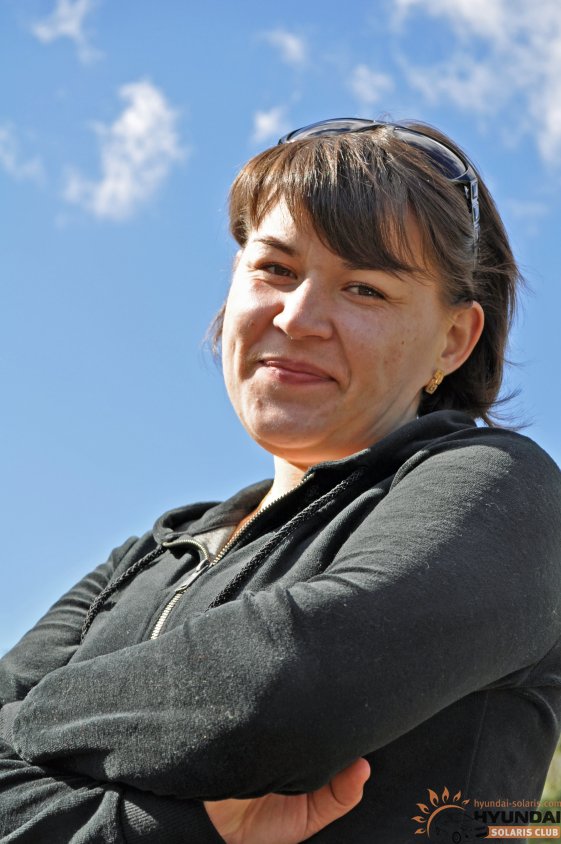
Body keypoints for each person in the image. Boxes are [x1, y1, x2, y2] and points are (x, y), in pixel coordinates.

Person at [1, 117, 560, 844]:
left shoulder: (507, 492)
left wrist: (23, 724)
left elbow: (285, 692)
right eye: (275, 269)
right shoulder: (153, 553)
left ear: (453, 340)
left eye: (364, 288)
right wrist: (171, 826)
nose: (298, 318)